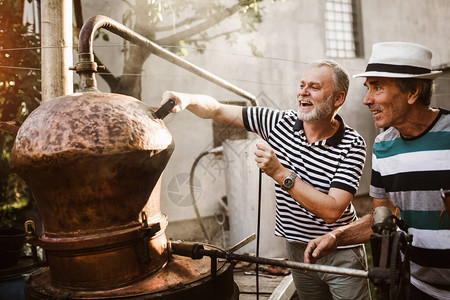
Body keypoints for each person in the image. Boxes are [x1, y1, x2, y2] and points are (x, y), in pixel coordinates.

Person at [161, 59, 370, 300]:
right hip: (297, 250)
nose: (303, 91)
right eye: (302, 85)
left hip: (340, 253)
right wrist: (187, 99)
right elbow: (217, 109)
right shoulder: (277, 123)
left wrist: (280, 173)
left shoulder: (352, 144)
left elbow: (332, 211)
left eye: (314, 86)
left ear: (338, 99)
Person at [304, 42, 450, 300]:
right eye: (368, 88)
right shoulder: (384, 146)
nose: (366, 99)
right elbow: (382, 218)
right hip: (418, 289)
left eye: (377, 88)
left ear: (413, 92)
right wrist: (336, 237)